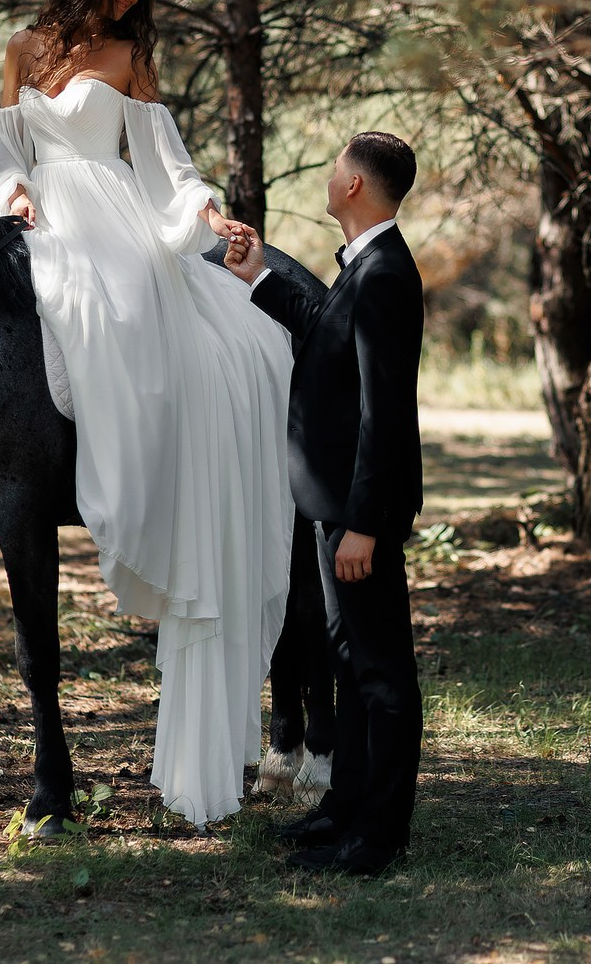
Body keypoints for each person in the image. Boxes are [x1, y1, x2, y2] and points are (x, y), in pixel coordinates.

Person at [0, 0, 295, 827]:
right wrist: (15, 196)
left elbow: (164, 160)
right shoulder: (23, 49)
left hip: (115, 218)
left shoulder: (130, 57)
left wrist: (201, 209)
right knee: (37, 308)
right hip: (43, 211)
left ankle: (132, 491)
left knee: (119, 318)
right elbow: (7, 150)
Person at [223, 132, 424, 877]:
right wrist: (258, 278)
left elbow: (384, 413)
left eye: (338, 166)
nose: (329, 173)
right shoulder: (363, 265)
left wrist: (365, 524)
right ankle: (344, 807)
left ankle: (378, 838)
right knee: (347, 659)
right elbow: (325, 341)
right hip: (332, 503)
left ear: (353, 187)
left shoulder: (385, 276)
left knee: (380, 673)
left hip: (355, 512)